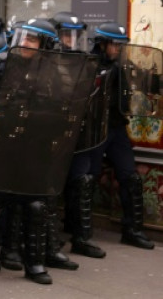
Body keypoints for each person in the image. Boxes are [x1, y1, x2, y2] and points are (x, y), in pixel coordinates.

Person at [0, 18, 61, 285]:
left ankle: (34, 263)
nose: (25, 43)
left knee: (35, 205)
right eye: (22, 36)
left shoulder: (54, 72)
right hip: (1, 142)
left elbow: (63, 106)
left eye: (32, 39)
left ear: (45, 44)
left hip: (34, 146)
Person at [64, 22, 156, 255]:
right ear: (102, 44)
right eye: (115, 44)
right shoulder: (89, 63)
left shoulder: (122, 65)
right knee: (86, 179)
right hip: (94, 130)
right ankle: (80, 235)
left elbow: (140, 86)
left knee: (130, 177)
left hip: (116, 128)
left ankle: (132, 230)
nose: (118, 49)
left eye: (121, 45)